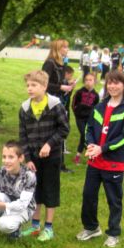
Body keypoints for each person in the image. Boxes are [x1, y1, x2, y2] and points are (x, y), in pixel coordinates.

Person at [76, 70, 124, 248]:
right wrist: (91, 145)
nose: (112, 86)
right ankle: (91, 227)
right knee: (88, 196)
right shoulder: (99, 107)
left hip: (113, 164)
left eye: (117, 83)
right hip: (95, 162)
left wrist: (102, 148)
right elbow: (89, 129)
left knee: (114, 200)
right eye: (110, 82)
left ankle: (113, 233)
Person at [19, 70, 69, 242]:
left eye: (34, 85)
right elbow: (23, 135)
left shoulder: (55, 105)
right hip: (33, 158)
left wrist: (49, 144)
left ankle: (48, 228)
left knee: (50, 190)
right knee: (35, 191)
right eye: (28, 85)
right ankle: (35, 226)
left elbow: (64, 129)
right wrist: (28, 158)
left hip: (52, 157)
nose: (30, 89)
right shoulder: (24, 108)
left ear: (45, 86)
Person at [41, 39, 74, 173]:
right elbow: (44, 84)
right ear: (58, 49)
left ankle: (59, 164)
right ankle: (54, 163)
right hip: (50, 102)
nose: (67, 50)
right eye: (65, 47)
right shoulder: (50, 64)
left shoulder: (62, 64)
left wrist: (68, 85)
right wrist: (61, 87)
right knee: (53, 131)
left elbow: (59, 82)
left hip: (60, 102)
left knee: (60, 130)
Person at [72, 72, 100, 165]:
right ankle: (90, 154)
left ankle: (78, 155)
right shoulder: (79, 92)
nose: (88, 82)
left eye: (90, 80)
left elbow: (96, 108)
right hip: (80, 118)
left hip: (89, 119)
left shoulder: (96, 95)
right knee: (84, 135)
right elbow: (74, 104)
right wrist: (77, 113)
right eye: (86, 80)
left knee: (85, 136)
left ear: (94, 81)